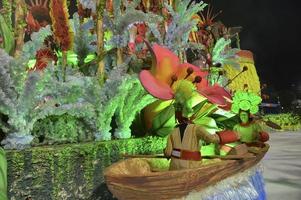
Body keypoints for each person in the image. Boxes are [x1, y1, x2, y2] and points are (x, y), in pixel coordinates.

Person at [164, 111, 239, 170]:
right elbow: (211, 139)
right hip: (192, 167)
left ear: (177, 119)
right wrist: (232, 135)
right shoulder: (196, 128)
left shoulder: (172, 132)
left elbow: (168, 153)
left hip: (174, 167)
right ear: (191, 117)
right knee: (216, 161)